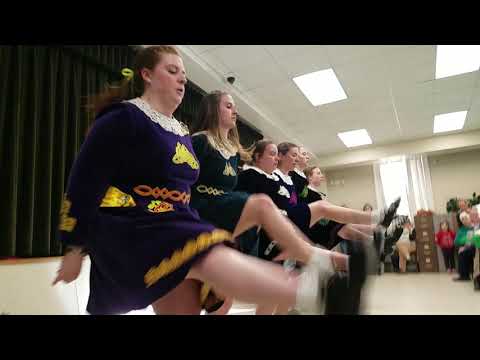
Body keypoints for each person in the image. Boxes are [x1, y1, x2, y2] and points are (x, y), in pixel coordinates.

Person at [51, 45, 341, 316]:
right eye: (172, 71)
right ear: (147, 75)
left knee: (194, 298)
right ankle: (318, 291)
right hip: (134, 225)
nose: (182, 81)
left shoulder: (179, 131)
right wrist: (74, 246)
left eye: (185, 76)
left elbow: (183, 191)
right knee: (208, 255)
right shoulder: (123, 117)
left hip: (176, 222)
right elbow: (84, 181)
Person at [189, 91, 393, 314]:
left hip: (248, 223)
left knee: (237, 291)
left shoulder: (234, 152)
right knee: (299, 219)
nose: (235, 111)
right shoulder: (204, 144)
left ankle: (361, 249)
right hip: (214, 217)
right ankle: (351, 252)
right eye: (228, 106)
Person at [453, 211, 475, 281]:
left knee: (462, 252)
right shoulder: (461, 229)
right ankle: (463, 275)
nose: (464, 220)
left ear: (469, 218)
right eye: (462, 219)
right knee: (461, 252)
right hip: (465, 246)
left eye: (465, 218)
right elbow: (456, 241)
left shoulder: (472, 227)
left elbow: (470, 241)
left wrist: (464, 245)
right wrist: (463, 243)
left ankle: (465, 275)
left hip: (473, 246)